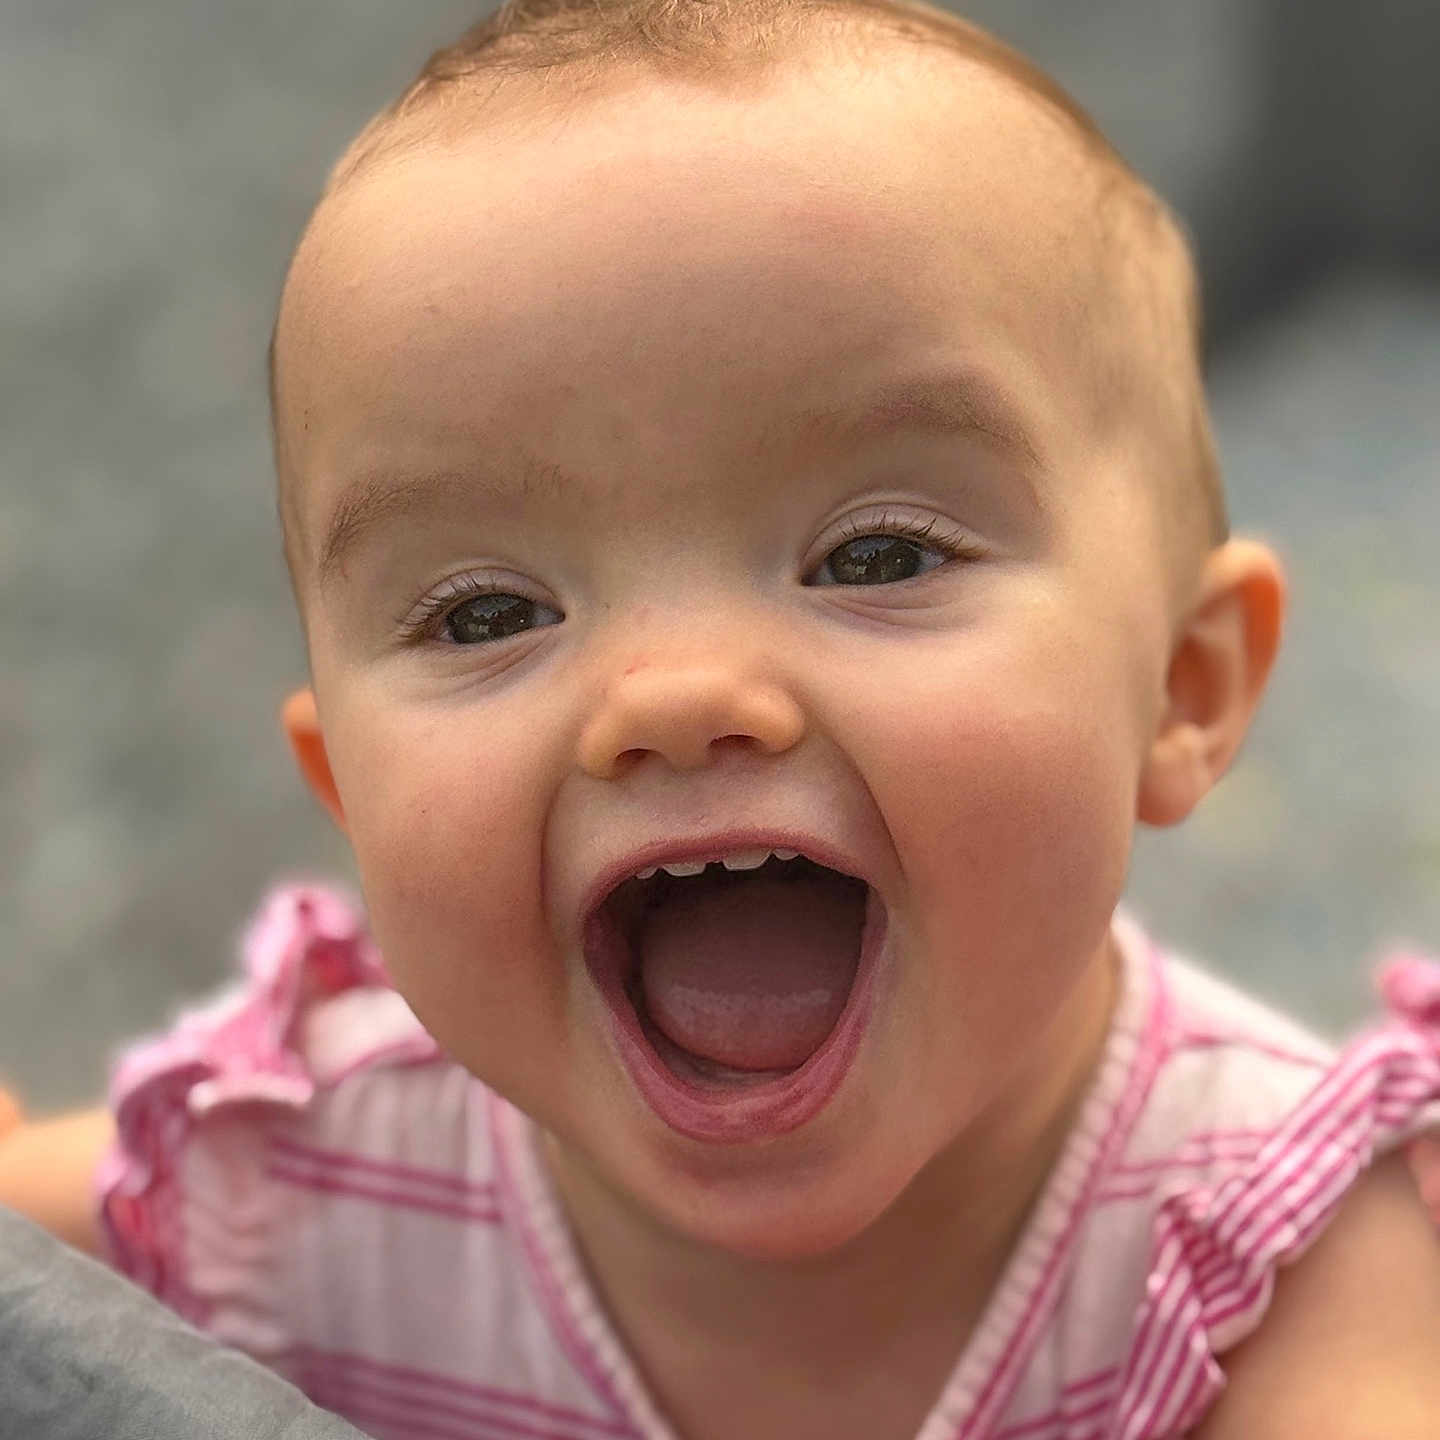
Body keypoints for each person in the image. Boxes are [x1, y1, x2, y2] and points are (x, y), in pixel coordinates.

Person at [3, 2, 1439, 1435]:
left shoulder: (1296, 1261)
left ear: (1184, 686)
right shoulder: (307, 1178)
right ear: (348, 796)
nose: (673, 701)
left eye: (876, 558)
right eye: (488, 614)